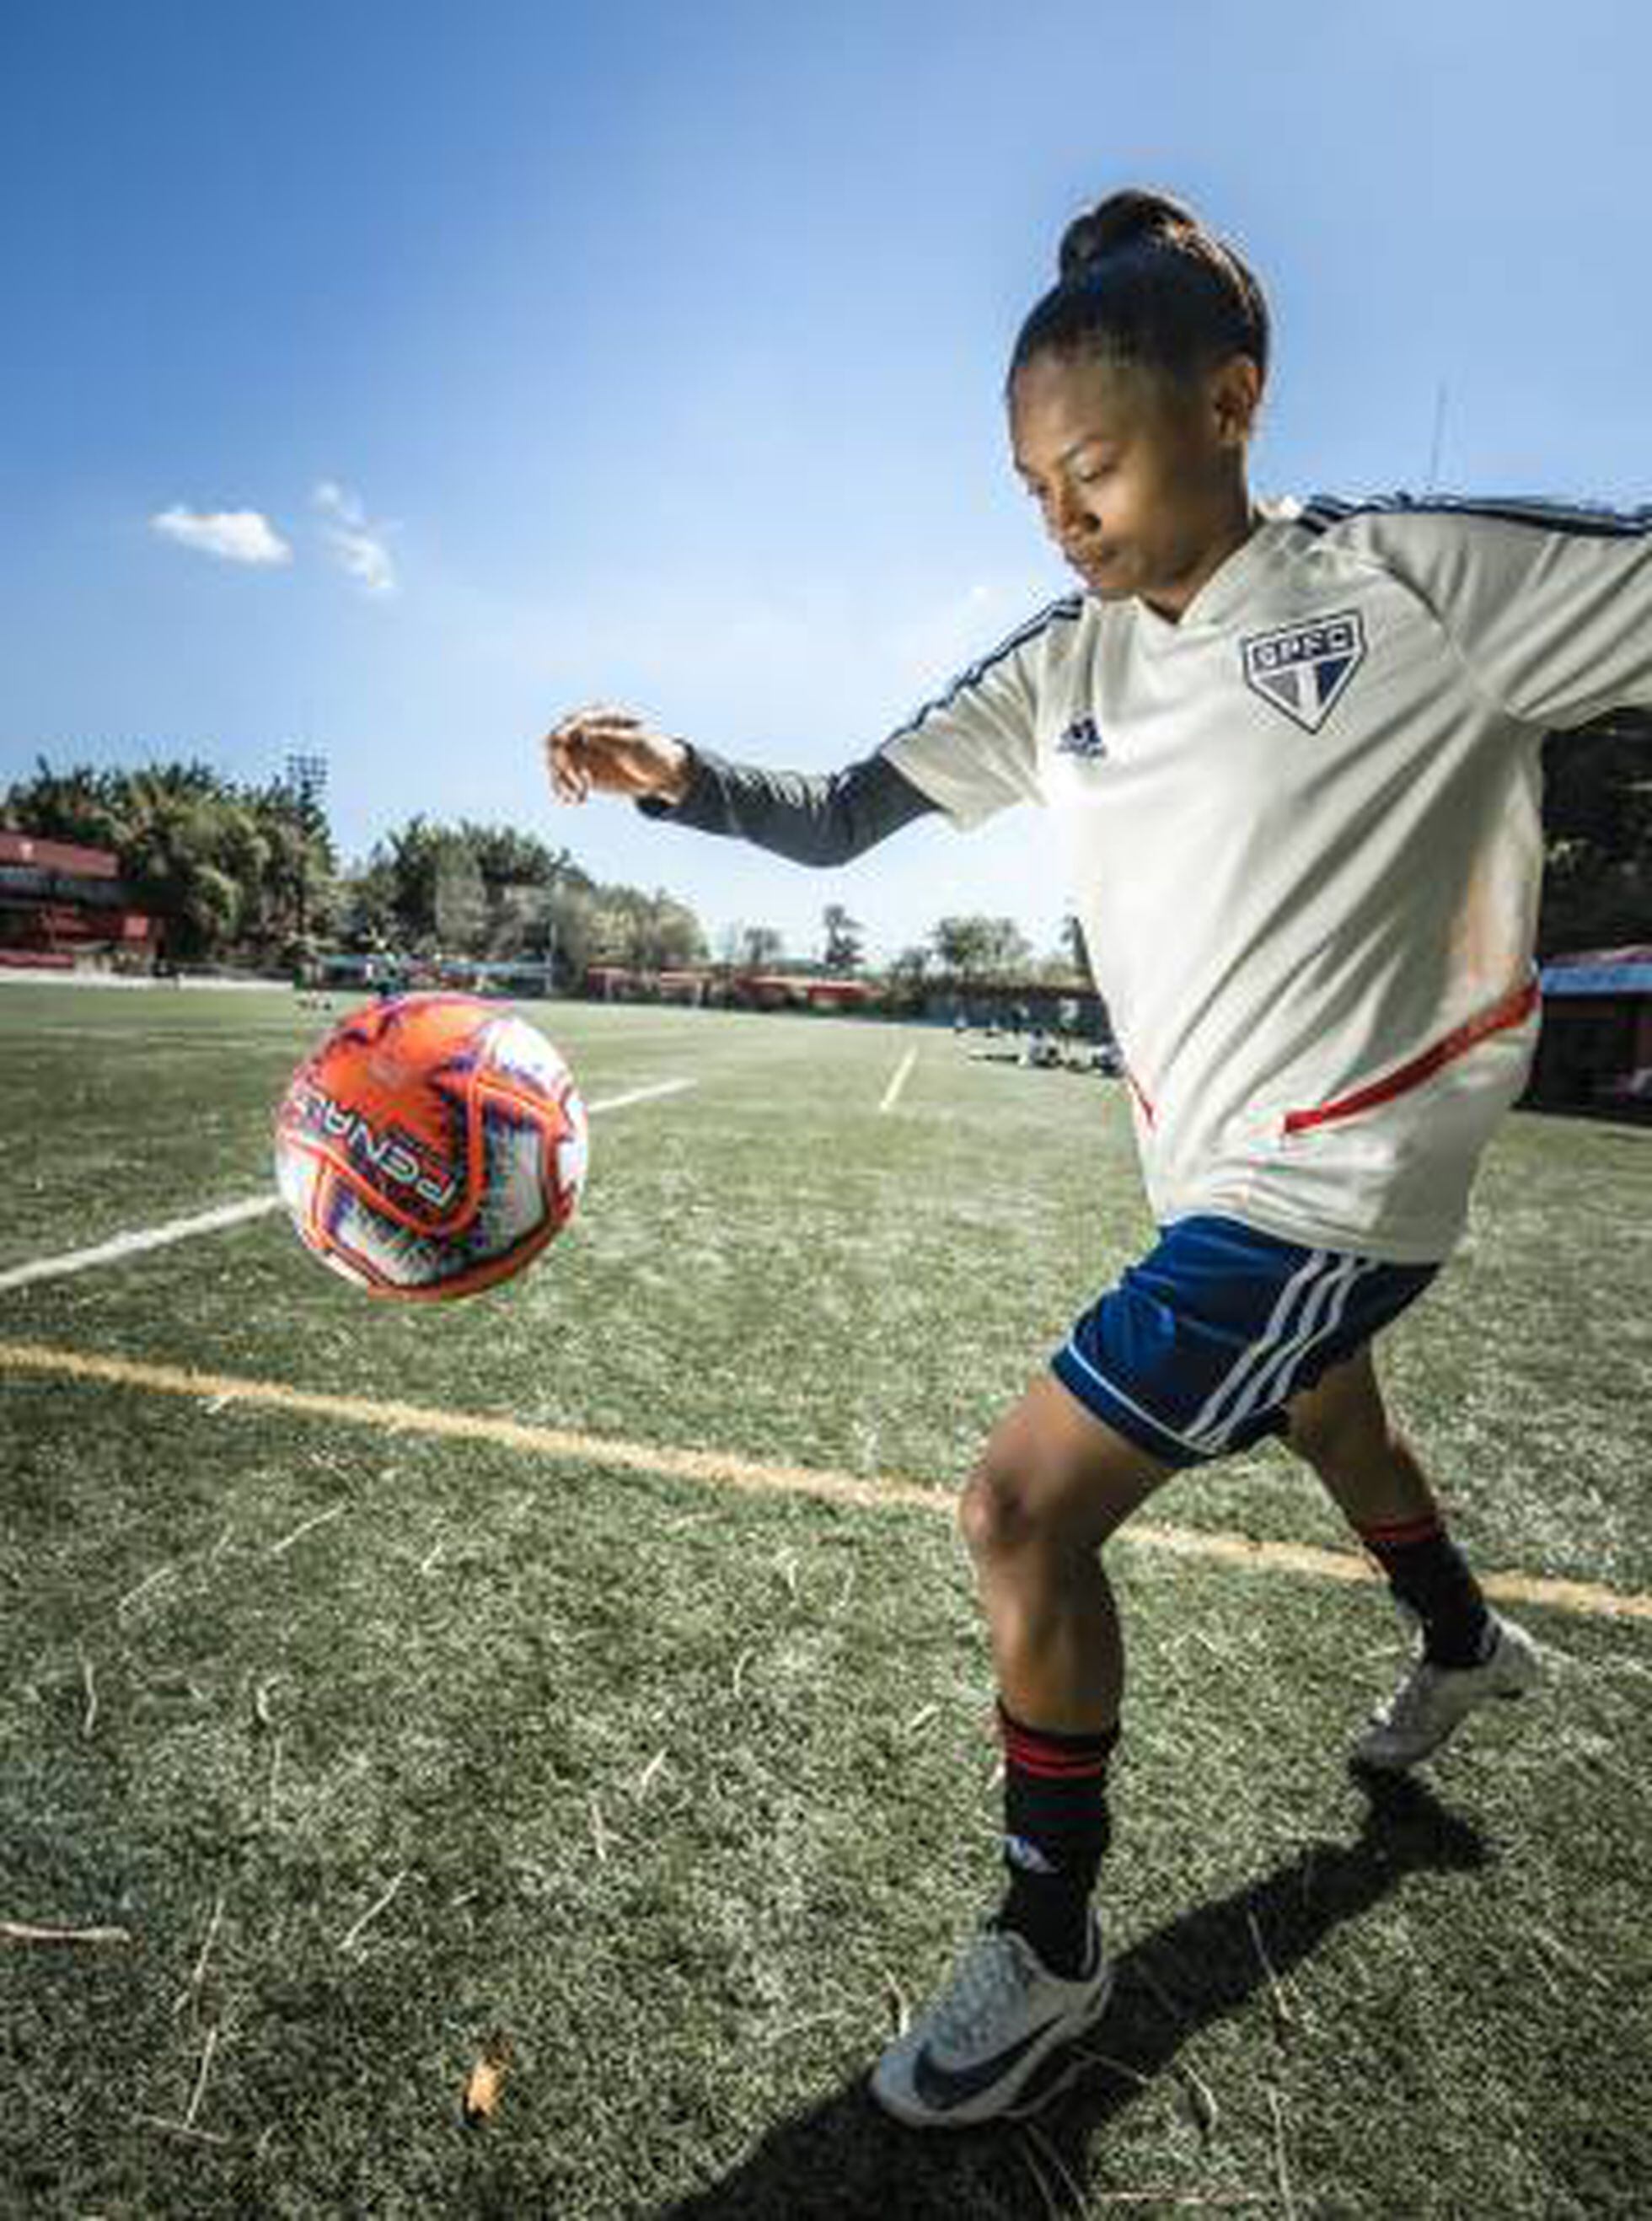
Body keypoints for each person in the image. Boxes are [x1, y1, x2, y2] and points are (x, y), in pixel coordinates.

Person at [541, 186, 1652, 2130]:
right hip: (1221, 1184)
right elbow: (838, 818)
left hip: (1334, 1183)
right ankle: (1461, 1638)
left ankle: (1048, 1948)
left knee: (1017, 1515)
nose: (1059, 513)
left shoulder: (1407, 583)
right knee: (1334, 1427)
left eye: (1094, 464)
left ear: (1231, 401)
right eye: (1030, 483)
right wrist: (685, 777)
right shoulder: (1060, 669)